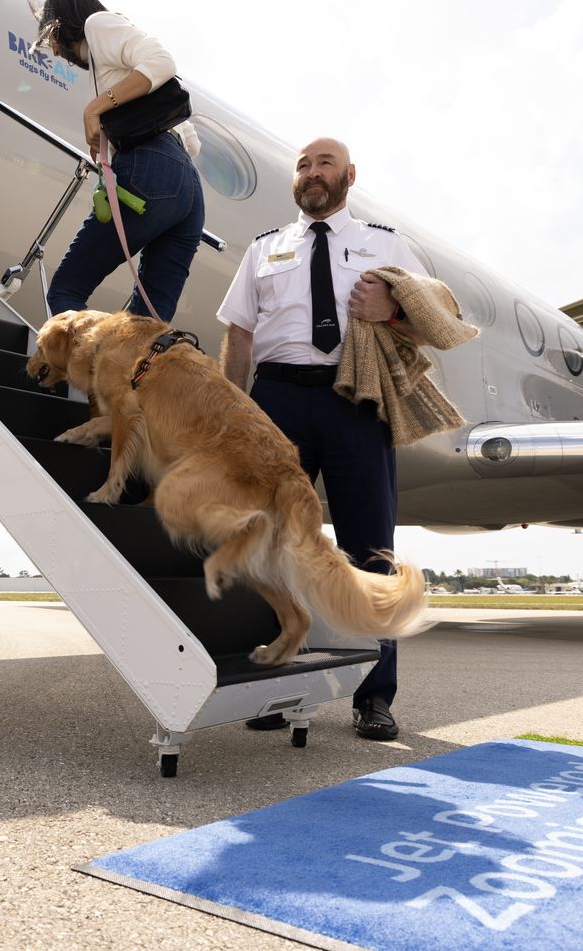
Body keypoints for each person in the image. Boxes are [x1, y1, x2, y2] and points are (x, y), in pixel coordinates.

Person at [214, 137, 424, 741]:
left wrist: (391, 307)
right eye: (303, 166)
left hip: (355, 399)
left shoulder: (385, 243)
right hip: (278, 401)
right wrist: (235, 419)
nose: (311, 173)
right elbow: (240, 335)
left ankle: (374, 697)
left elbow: (435, 315)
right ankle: (275, 688)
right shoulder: (264, 250)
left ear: (349, 175)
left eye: (323, 163)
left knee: (370, 548)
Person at [35, 0, 207, 321]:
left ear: (59, 24)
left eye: (48, 39)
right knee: (147, 324)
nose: (53, 52)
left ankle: (94, 366)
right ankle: (132, 370)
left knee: (66, 290)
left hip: (154, 166)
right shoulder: (107, 62)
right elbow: (192, 145)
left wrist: (96, 108)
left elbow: (161, 61)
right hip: (187, 188)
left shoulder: (98, 24)